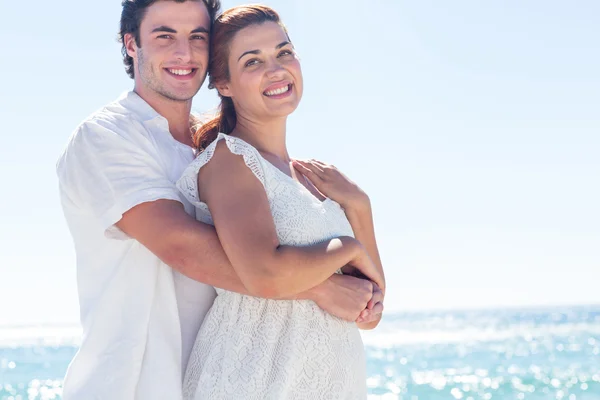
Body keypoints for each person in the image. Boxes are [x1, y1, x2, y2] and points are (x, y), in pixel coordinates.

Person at [55, 0, 383, 398]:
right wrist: (320, 285)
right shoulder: (108, 136)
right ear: (131, 44)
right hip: (131, 385)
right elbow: (180, 246)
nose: (184, 52)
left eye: (197, 36)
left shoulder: (217, 146)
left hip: (226, 370)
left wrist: (357, 208)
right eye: (164, 36)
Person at [176, 5, 385, 399]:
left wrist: (359, 205)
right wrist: (348, 248)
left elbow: (370, 309)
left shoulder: (311, 177)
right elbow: (264, 274)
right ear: (224, 83)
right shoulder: (231, 160)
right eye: (252, 61)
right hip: (257, 380)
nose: (276, 69)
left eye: (284, 52)